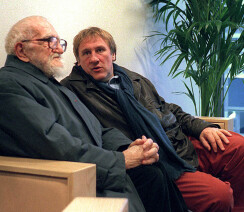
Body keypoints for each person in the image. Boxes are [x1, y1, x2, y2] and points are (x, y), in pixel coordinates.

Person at [0, 16, 189, 212]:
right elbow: (55, 146)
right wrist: (121, 160)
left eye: (59, 42)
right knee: (151, 176)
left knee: (154, 170)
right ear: (21, 51)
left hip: (92, 165)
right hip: (66, 179)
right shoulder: (6, 88)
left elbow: (96, 128)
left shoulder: (48, 83)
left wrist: (129, 148)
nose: (58, 49)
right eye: (49, 42)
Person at [61, 26, 244, 212]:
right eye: (86, 53)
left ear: (113, 54)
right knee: (219, 196)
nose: (94, 58)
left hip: (178, 144)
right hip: (160, 158)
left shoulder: (131, 79)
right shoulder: (71, 92)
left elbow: (168, 109)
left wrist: (202, 127)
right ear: (78, 61)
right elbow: (89, 136)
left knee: (239, 146)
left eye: (100, 50)